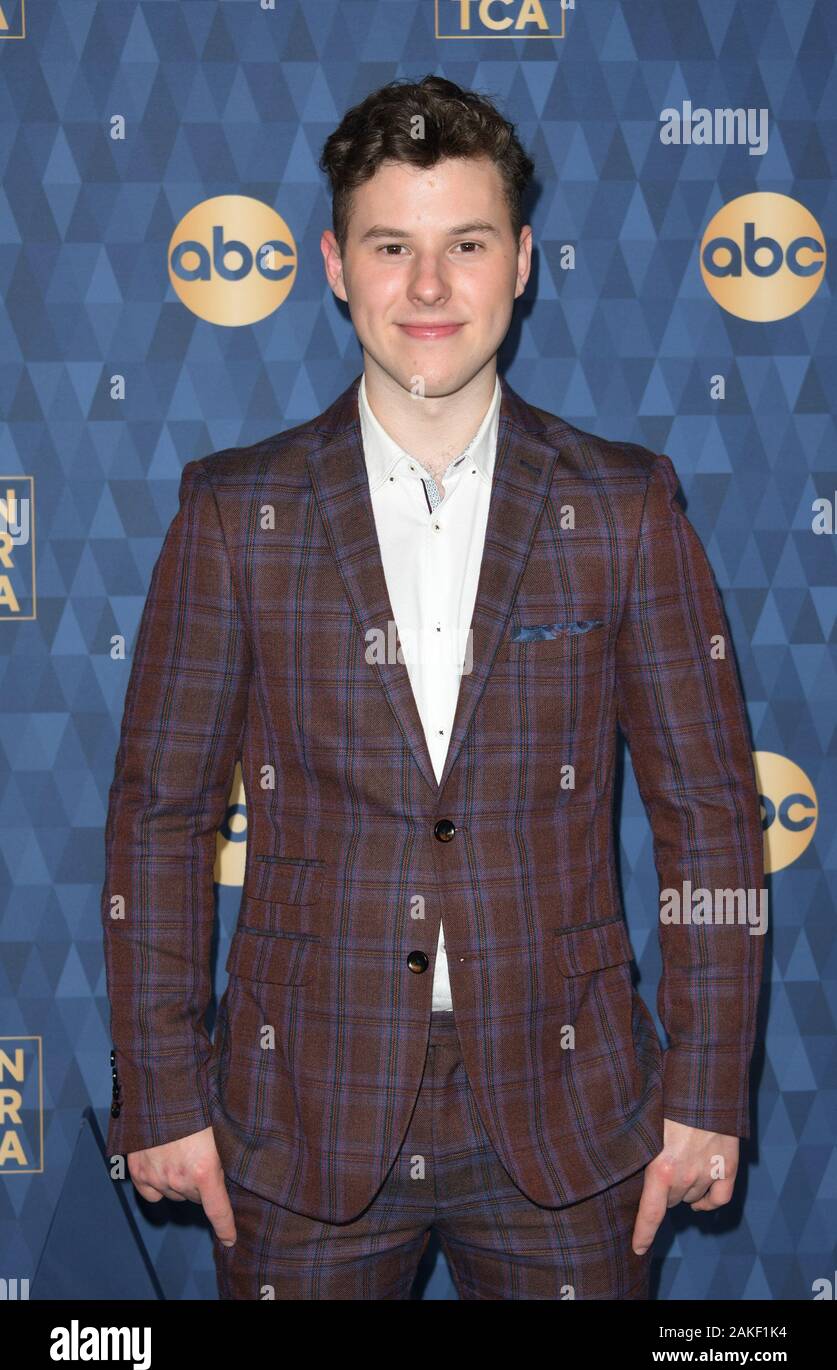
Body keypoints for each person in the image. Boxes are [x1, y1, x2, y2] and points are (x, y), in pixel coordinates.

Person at [102, 75, 765, 1301]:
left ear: (522, 261)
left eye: (464, 244)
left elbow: (712, 814)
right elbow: (160, 816)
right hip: (301, 1107)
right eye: (389, 246)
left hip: (571, 1111)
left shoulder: (624, 505)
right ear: (333, 267)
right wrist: (159, 1090)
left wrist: (710, 1087)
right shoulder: (236, 512)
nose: (427, 287)